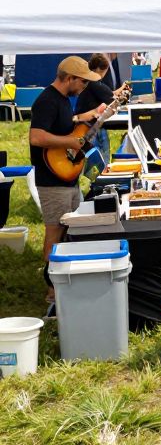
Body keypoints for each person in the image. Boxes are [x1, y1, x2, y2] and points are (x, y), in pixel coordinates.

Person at [29, 56, 106, 308]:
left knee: (68, 230)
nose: (85, 86)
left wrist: (91, 115)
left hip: (67, 177)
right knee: (55, 231)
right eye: (82, 81)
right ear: (69, 78)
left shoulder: (62, 100)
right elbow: (37, 137)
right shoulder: (47, 100)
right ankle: (52, 291)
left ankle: (65, 281)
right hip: (52, 179)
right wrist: (70, 143)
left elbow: (67, 124)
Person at [74, 54, 117, 165]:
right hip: (89, 126)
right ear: (99, 69)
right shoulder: (94, 84)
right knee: (102, 157)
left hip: (86, 124)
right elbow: (111, 97)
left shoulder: (89, 83)